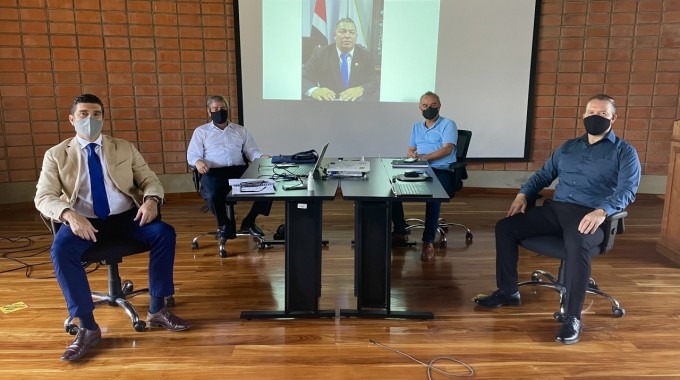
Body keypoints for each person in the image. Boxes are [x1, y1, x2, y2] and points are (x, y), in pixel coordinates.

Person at [474, 94, 641, 345]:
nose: (596, 117)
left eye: (603, 114)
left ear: (613, 118)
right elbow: (543, 176)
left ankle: (572, 317)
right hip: (557, 210)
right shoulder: (568, 147)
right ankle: (508, 291)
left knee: (576, 242)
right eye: (591, 112)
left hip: (591, 216)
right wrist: (523, 194)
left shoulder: (624, 152)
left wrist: (602, 211)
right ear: (583, 115)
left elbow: (627, 190)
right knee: (506, 227)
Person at [35, 94, 191, 362]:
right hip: (84, 223)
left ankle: (157, 309)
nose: (90, 119)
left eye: (96, 114)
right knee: (60, 251)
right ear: (72, 119)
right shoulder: (56, 155)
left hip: (126, 218)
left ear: (103, 118)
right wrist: (68, 214)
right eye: (83, 114)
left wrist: (152, 200)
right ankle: (87, 327)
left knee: (164, 233)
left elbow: (150, 180)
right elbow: (43, 196)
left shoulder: (123, 148)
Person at [187, 95, 273, 240]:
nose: (219, 111)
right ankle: (224, 225)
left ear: (227, 110)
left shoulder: (240, 130)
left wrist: (262, 157)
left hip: (238, 171)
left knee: (269, 186)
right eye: (215, 109)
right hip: (213, 172)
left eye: (222, 109)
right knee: (213, 194)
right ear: (209, 111)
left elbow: (251, 151)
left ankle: (249, 221)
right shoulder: (201, 132)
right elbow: (193, 154)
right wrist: (198, 162)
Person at [391, 91, 458, 262]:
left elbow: (447, 149)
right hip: (420, 167)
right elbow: (411, 149)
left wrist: (424, 158)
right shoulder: (416, 127)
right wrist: (412, 156)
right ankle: (400, 230)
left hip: (441, 169)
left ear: (440, 106)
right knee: (392, 188)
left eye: (433, 105)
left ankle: (428, 241)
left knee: (433, 197)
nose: (429, 109)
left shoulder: (448, 124)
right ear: (420, 108)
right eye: (425, 106)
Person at [302, 17, 379, 101]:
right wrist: (314, 90)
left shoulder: (365, 55)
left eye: (351, 32)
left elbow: (373, 82)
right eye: (342, 32)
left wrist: (361, 89)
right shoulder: (321, 54)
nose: (347, 36)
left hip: (356, 107)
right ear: (335, 35)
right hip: (328, 105)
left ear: (356, 36)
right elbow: (303, 78)